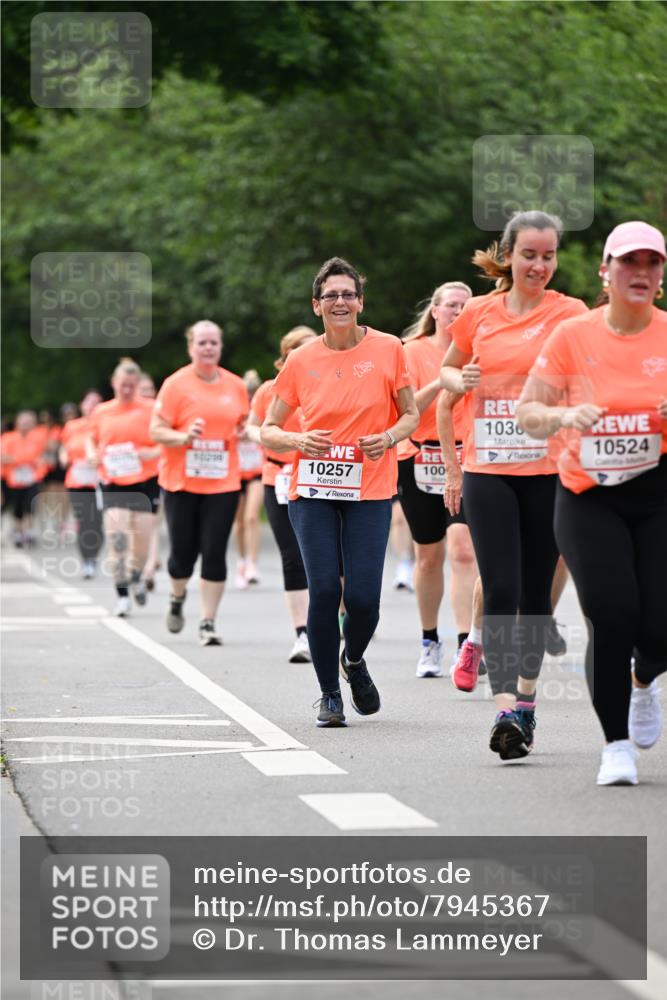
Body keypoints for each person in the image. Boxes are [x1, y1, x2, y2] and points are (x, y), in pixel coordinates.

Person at [517, 220, 667, 786]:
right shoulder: (573, 336)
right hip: (588, 495)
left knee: (659, 630)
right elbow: (527, 413)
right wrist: (562, 416)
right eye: (631, 262)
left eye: (653, 264)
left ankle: (644, 680)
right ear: (607, 271)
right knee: (613, 614)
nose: (642, 273)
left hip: (658, 493)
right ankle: (616, 745)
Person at [440, 210, 587, 760]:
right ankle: (504, 709)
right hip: (489, 468)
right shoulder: (478, 313)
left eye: (548, 256)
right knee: (499, 588)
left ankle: (525, 703)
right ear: (507, 256)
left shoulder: (570, 314)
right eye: (529, 255)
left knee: (534, 595)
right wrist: (463, 377)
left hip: (549, 471)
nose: (540, 265)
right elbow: (448, 376)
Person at [261, 256, 418, 727]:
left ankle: (354, 660)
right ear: (316, 306)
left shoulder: (390, 349)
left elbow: (410, 415)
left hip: (370, 487)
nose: (340, 301)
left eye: (348, 293)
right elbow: (268, 429)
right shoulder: (301, 360)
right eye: (331, 295)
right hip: (313, 488)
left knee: (365, 598)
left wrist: (388, 438)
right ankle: (330, 693)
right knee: (325, 588)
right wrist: (296, 439)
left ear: (360, 301)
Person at [150, 320, 248, 645]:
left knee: (215, 551)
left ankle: (208, 622)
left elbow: (245, 423)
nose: (208, 348)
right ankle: (177, 598)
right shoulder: (175, 385)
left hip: (223, 482)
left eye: (213, 343)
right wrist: (182, 437)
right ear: (190, 347)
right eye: (202, 343)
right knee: (182, 555)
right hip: (181, 483)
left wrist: (245, 431)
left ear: (221, 347)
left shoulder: (234, 385)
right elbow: (156, 430)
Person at [398, 281, 478, 678]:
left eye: (465, 306)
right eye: (451, 305)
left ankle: (467, 644)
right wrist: (443, 380)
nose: (457, 312)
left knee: (464, 550)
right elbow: (407, 409)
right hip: (418, 456)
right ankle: (430, 640)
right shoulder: (411, 352)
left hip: (468, 457)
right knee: (429, 556)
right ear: (435, 310)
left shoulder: (479, 349)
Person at [246, 326, 318, 662]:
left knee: (331, 554)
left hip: (323, 476)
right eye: (299, 350)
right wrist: (262, 436)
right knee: (292, 554)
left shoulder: (327, 383)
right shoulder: (268, 390)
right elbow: (252, 424)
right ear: (286, 356)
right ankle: (302, 634)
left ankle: (343, 616)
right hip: (280, 474)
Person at [87, 358, 161, 616]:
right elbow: (91, 439)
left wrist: (152, 453)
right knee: (117, 539)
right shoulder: (102, 411)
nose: (127, 390)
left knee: (140, 544)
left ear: (138, 384)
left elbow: (166, 440)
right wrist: (91, 454)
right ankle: (121, 596)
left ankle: (137, 576)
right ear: (113, 384)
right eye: (122, 385)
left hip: (145, 482)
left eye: (132, 385)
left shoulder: (152, 408)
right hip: (113, 482)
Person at [60, 390, 104, 578]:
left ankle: (93, 557)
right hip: (77, 480)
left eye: (96, 403)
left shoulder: (105, 425)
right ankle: (87, 560)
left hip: (99, 481)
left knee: (96, 523)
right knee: (84, 521)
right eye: (89, 402)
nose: (92, 406)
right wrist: (63, 458)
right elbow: (64, 447)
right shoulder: (72, 426)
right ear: (82, 405)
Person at [233, 369, 265, 588]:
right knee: (239, 522)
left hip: (257, 470)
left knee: (252, 517)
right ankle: (242, 561)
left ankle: (253, 563)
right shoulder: (234, 411)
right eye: (248, 394)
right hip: (235, 472)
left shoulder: (264, 410)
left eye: (254, 393)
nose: (251, 398)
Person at [1, 410, 46, 547]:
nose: (26, 426)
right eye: (23, 423)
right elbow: (3, 457)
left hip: (31, 478)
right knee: (17, 507)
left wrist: (35, 467)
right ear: (17, 423)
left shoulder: (36, 439)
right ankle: (19, 533)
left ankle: (29, 532)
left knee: (30, 504)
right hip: (13, 479)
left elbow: (40, 458)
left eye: (28, 423)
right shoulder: (8, 438)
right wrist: (20, 460)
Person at [137, 371, 162, 592]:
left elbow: (169, 440)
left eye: (148, 390)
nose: (145, 394)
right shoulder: (126, 413)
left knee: (152, 523)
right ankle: (140, 563)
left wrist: (154, 453)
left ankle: (149, 568)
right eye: (141, 390)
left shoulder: (160, 410)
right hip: (127, 478)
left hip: (156, 474)